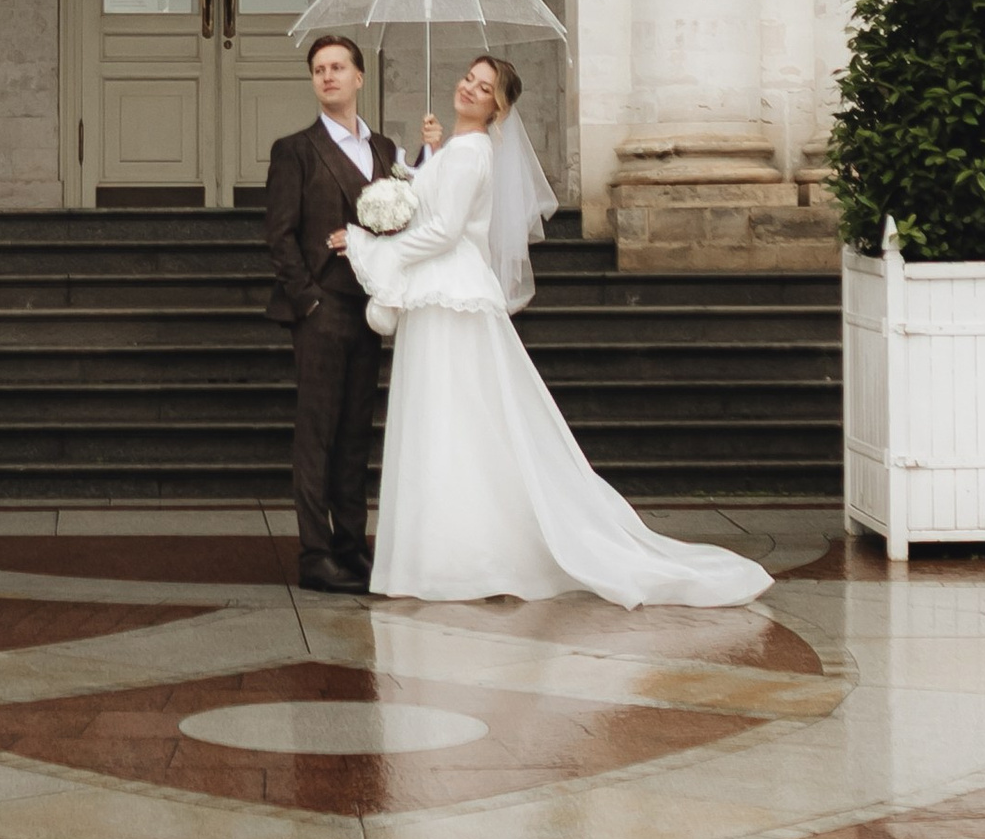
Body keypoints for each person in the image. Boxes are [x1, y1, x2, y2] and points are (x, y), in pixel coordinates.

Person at [339, 51, 773, 611]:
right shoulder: (461, 150)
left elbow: (446, 231)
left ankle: (454, 557)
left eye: (483, 87)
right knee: (453, 416)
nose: (469, 88)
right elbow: (436, 206)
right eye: (468, 78)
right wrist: (428, 158)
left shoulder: (472, 153)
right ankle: (449, 551)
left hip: (449, 295)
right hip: (441, 293)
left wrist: (374, 246)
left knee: (449, 415)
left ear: (500, 106)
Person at [265, 30, 398, 593]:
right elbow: (280, 235)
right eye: (319, 69)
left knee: (354, 435)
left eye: (338, 67)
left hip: (369, 309)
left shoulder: (387, 152)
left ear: (359, 77)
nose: (327, 76)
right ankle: (315, 554)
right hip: (322, 308)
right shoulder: (295, 149)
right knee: (316, 435)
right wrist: (308, 299)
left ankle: (352, 545)